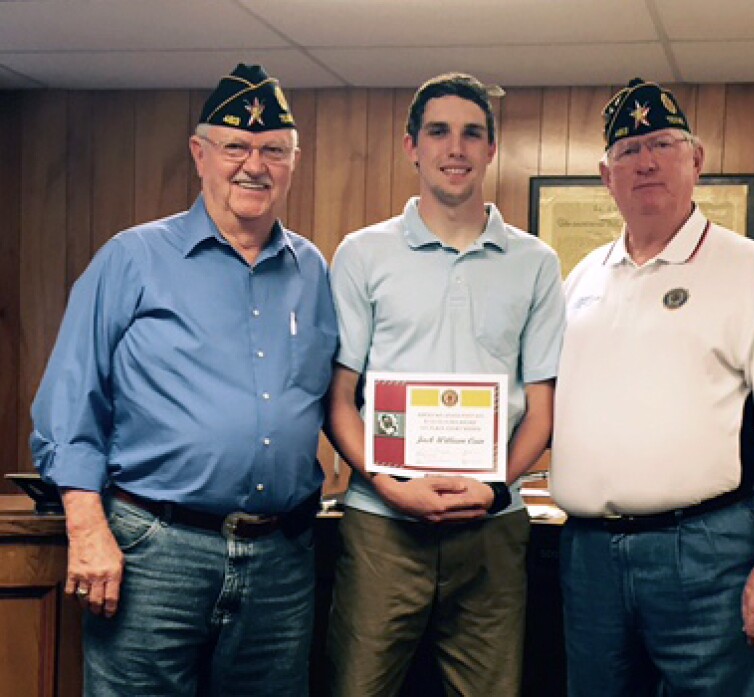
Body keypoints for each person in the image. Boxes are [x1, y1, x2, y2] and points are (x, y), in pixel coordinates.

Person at [30, 63, 337, 696]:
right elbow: (68, 407)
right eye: (235, 146)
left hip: (281, 558)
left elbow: (335, 398)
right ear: (200, 154)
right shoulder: (133, 257)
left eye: (273, 150)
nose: (254, 164)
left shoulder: (313, 270)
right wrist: (86, 531)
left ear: (293, 162)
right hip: (154, 552)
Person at [550, 77, 754, 697]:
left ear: (696, 161)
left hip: (710, 554)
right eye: (628, 150)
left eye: (663, 144)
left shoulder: (752, 269)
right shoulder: (583, 279)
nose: (646, 161)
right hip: (590, 557)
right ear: (606, 175)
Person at [324, 72, 566, 697]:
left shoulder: (536, 263)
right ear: (411, 146)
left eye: (472, 134)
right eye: (438, 132)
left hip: (493, 526)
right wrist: (389, 487)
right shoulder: (361, 254)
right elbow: (338, 398)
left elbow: (542, 410)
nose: (455, 148)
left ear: (491, 149)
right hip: (382, 525)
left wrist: (493, 486)